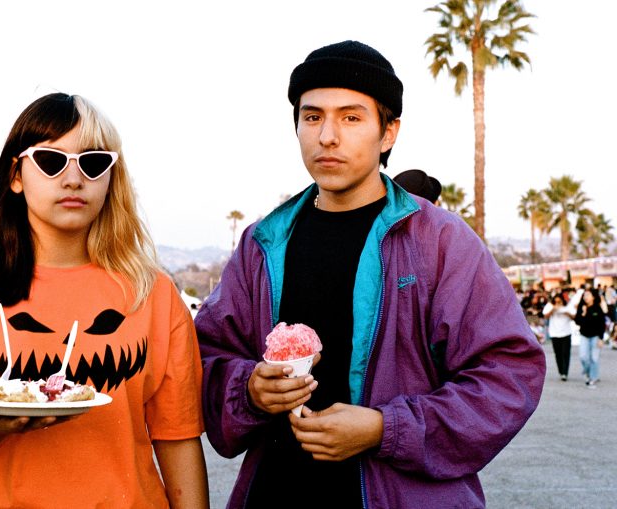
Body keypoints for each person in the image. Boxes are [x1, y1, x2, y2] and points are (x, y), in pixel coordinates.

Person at [195, 40, 546, 508]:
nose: (327, 137)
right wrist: (251, 390)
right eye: (312, 117)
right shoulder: (263, 244)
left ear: (388, 132)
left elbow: (509, 373)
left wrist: (386, 428)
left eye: (351, 118)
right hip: (275, 491)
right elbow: (205, 357)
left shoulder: (440, 241)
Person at [0, 93, 208, 509]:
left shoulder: (153, 293)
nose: (73, 179)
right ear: (16, 175)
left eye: (93, 163)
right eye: (51, 160)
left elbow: (178, 437)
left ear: (111, 178)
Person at [575, 288, 607, 388]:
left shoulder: (597, 308)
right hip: (584, 335)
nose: (586, 297)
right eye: (584, 295)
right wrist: (583, 313)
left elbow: (602, 324)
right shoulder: (582, 307)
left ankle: (592, 378)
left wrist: (601, 338)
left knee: (594, 358)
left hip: (596, 336)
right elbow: (577, 321)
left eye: (588, 295)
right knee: (583, 357)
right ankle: (587, 372)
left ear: (593, 297)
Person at [542, 293, 576, 380]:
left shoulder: (568, 306)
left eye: (559, 301)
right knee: (558, 354)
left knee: (566, 353)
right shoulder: (550, 305)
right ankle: (561, 371)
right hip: (554, 334)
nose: (558, 303)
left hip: (566, 333)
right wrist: (553, 309)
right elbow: (545, 316)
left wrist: (566, 313)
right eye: (556, 301)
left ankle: (565, 373)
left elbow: (574, 317)